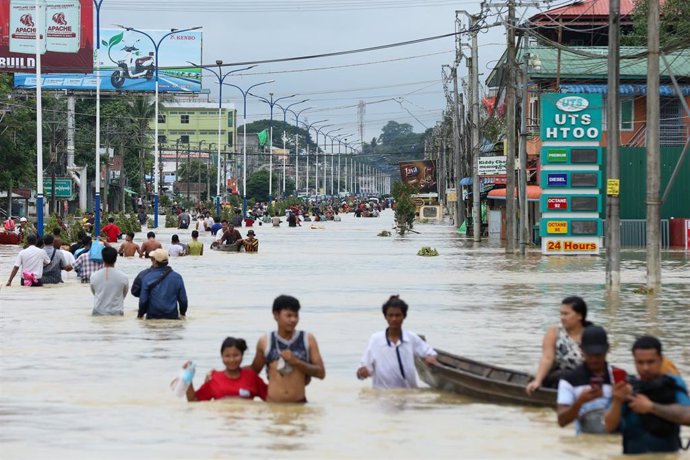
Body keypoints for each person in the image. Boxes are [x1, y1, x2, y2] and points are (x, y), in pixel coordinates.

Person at [604, 336, 690, 454]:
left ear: (660, 360)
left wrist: (651, 407)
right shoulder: (626, 389)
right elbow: (609, 427)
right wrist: (617, 401)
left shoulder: (673, 384)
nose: (645, 368)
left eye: (651, 362)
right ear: (634, 361)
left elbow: (687, 416)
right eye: (640, 362)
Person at [249, 295, 325, 402]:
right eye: (289, 316)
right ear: (276, 315)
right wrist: (225, 373)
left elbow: (321, 373)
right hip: (273, 406)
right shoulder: (265, 341)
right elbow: (254, 370)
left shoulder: (307, 339)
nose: (293, 320)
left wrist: (296, 362)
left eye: (296, 315)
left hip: (299, 405)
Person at [356, 295, 438, 389]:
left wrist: (430, 358)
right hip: (383, 396)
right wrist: (362, 373)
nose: (394, 319)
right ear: (385, 317)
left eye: (397, 315)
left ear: (404, 316)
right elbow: (363, 370)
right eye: (390, 315)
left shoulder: (411, 338)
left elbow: (429, 352)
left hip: (408, 395)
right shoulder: (376, 340)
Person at [557, 325, 620, 434]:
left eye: (598, 355)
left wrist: (619, 398)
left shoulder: (618, 378)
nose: (594, 360)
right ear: (581, 350)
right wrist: (580, 401)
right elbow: (562, 421)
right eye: (590, 355)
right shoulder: (569, 381)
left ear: (607, 349)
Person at [526, 296, 591, 394]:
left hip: (584, 378)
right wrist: (537, 381)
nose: (562, 318)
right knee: (563, 376)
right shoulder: (554, 331)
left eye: (566, 314)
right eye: (561, 314)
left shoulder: (591, 333)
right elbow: (547, 358)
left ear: (579, 316)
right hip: (559, 377)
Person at [185, 337, 267, 402]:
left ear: (242, 355)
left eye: (236, 355)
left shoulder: (252, 377)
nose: (232, 360)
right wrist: (188, 376)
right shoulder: (214, 378)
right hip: (221, 423)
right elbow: (194, 401)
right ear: (222, 357)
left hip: (245, 422)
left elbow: (272, 400)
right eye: (227, 356)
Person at [137, 249, 188, 320]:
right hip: (172, 317)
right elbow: (183, 301)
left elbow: (143, 301)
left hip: (153, 317)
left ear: (155, 261)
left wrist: (140, 315)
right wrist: (182, 314)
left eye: (152, 259)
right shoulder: (177, 277)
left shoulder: (147, 278)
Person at [90, 247, 129, 316]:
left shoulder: (94, 276)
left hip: (98, 312)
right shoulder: (124, 277)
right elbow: (123, 294)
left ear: (102, 258)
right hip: (116, 312)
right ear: (116, 259)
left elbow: (94, 292)